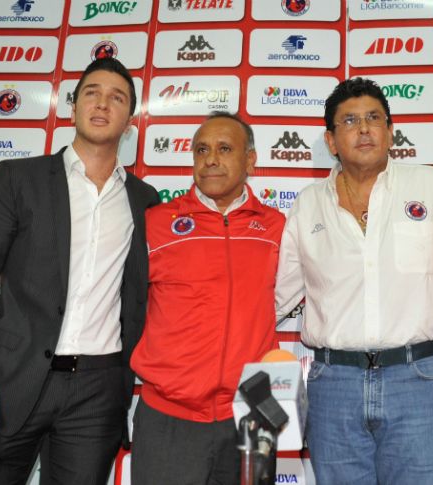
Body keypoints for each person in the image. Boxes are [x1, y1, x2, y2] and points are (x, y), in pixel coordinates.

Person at [275, 78, 433, 484]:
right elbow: (276, 295)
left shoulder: (432, 187)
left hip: (417, 379)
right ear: (331, 140)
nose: (363, 128)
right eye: (350, 120)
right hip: (334, 384)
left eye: (374, 118)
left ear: (390, 132)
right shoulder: (307, 206)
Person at [0, 57, 160, 484]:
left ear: (130, 121)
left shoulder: (144, 200)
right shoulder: (18, 177)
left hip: (97, 392)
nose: (102, 104)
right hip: (13, 376)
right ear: (72, 108)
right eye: (92, 93)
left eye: (116, 98)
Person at [130, 112, 285, 485]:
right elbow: (126, 304)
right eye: (201, 150)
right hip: (168, 416)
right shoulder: (155, 222)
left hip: (253, 414)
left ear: (250, 160)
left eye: (225, 149)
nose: (211, 159)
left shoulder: (277, 227)